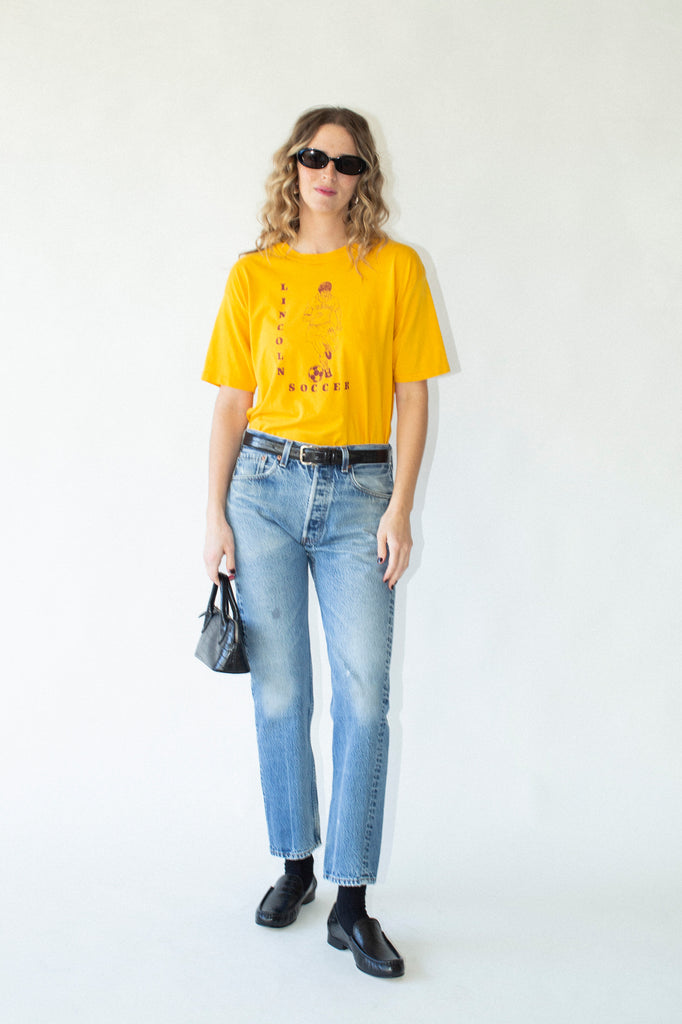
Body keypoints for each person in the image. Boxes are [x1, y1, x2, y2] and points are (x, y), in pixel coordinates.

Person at [202, 106, 449, 979]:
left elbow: (413, 396)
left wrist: (400, 508)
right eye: (314, 157)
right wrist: (214, 515)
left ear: (362, 177)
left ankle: (350, 898)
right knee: (279, 699)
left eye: (345, 163)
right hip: (263, 490)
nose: (327, 174)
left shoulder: (395, 269)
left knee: (364, 701)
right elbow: (231, 403)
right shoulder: (252, 274)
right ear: (293, 166)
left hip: (358, 495)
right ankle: (295, 863)